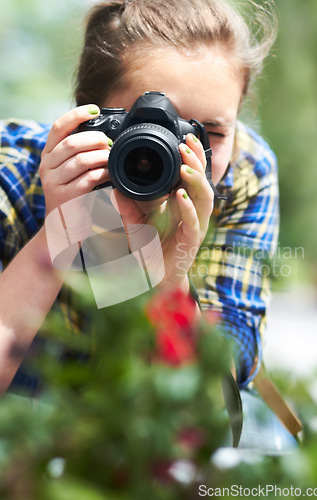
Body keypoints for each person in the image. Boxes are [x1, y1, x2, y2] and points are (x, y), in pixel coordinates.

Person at [0, 0, 278, 397]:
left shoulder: (241, 174)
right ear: (89, 114)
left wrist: (171, 285)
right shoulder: (10, 170)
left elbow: (216, 402)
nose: (177, 154)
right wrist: (57, 237)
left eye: (209, 133)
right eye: (146, 125)